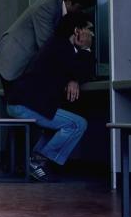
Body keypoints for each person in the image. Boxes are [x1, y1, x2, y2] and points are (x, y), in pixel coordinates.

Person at [5, 11, 96, 181]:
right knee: (78, 124)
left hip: (21, 102)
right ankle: (39, 161)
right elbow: (83, 71)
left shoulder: (58, 45)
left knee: (54, 126)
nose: (92, 34)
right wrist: (86, 48)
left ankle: (36, 160)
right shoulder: (63, 48)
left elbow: (76, 71)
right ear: (77, 31)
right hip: (26, 105)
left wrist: (73, 78)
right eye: (89, 30)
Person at [0, 0, 96, 87]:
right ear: (68, 0)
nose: (81, 12)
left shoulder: (61, 12)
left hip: (23, 65)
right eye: (80, 8)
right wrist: (72, 77)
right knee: (19, 100)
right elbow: (48, 46)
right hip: (14, 62)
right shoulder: (48, 7)